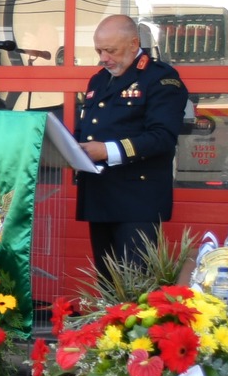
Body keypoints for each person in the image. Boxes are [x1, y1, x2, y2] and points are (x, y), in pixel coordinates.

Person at [77, 15, 188, 277]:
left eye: (111, 50)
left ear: (134, 43)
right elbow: (88, 128)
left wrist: (107, 150)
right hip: (100, 194)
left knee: (135, 286)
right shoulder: (99, 80)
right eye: (99, 51)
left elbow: (162, 137)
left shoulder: (160, 78)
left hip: (137, 201)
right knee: (107, 285)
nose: (104, 58)